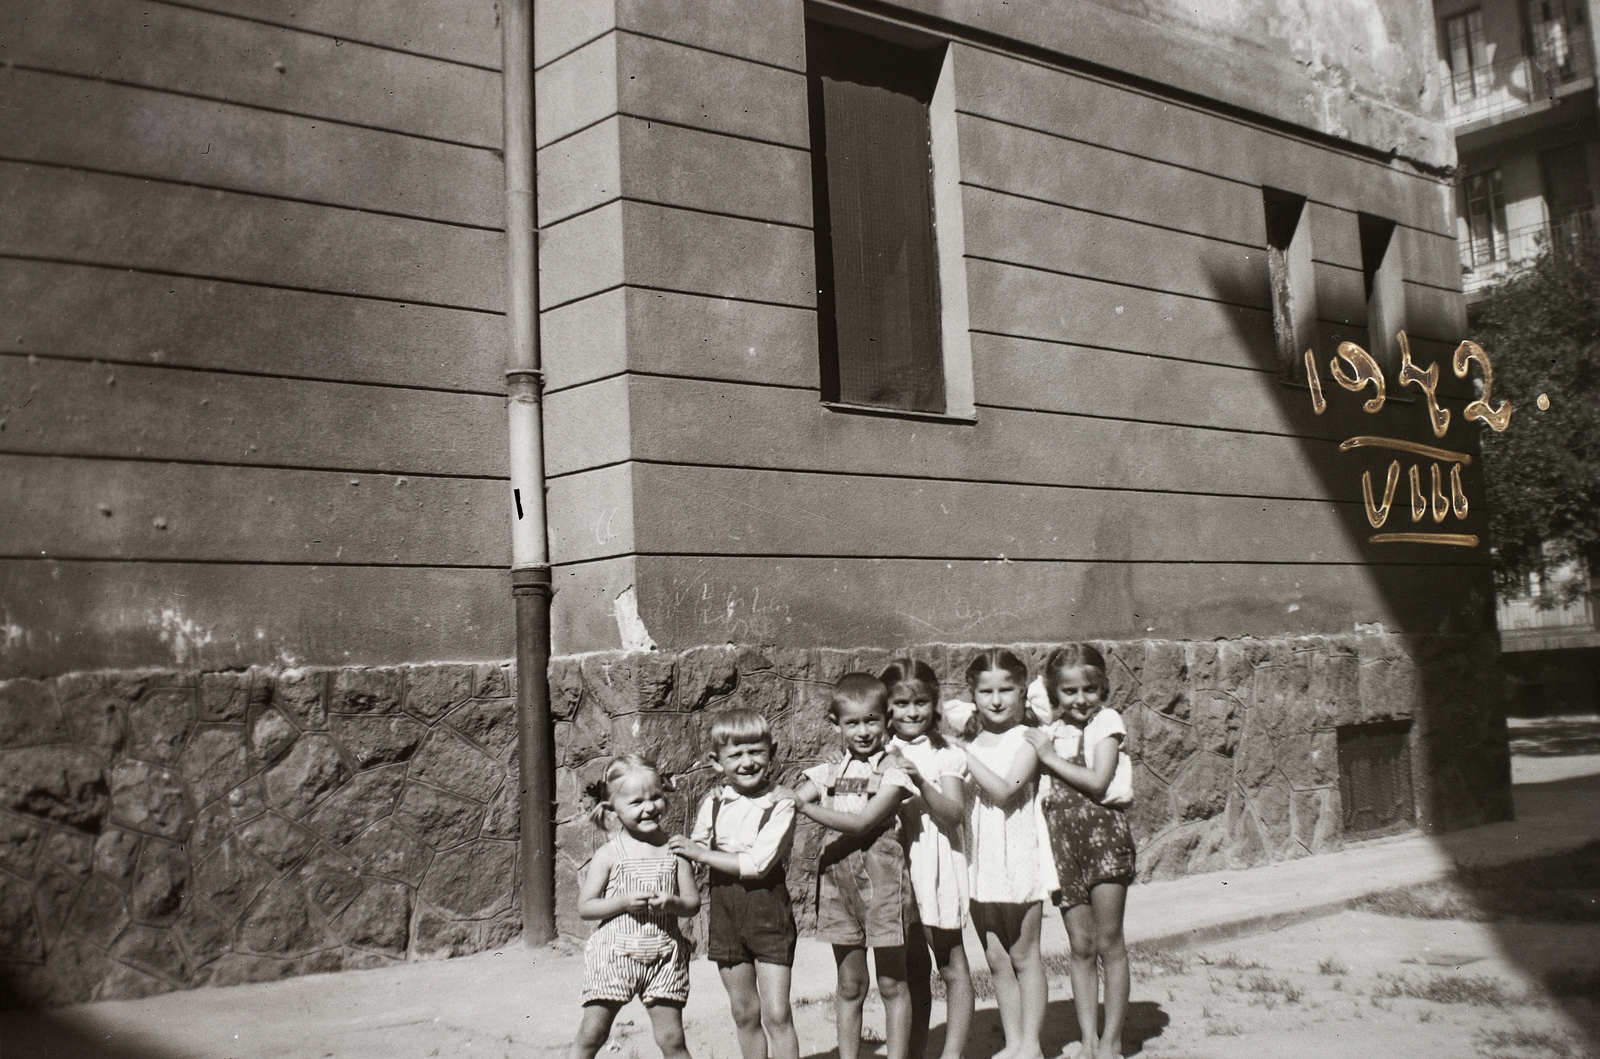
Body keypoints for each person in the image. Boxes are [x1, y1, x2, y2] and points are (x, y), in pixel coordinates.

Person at [772, 673, 920, 1059]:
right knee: (850, 984)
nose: (864, 730)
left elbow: (862, 824)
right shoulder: (829, 772)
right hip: (838, 890)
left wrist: (803, 805)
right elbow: (783, 805)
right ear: (836, 724)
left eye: (872, 719)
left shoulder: (895, 772)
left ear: (886, 719)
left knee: (891, 982)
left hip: (883, 888)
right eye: (852, 722)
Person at [669, 708, 800, 1059]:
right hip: (725, 910)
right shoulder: (713, 802)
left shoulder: (781, 803)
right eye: (736, 754)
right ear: (717, 762)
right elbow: (690, 850)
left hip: (767, 908)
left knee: (777, 1013)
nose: (747, 762)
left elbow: (756, 865)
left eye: (756, 751)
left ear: (771, 752)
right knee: (744, 1011)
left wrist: (701, 853)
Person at [1025, 645, 1135, 1059]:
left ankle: (1111, 1041)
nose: (1081, 699)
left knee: (1109, 942)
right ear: (1056, 693)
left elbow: (1098, 781)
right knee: (1081, 944)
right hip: (1064, 845)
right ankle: (1088, 1037)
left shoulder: (1106, 721)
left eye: (1090, 689)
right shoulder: (1052, 728)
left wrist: (1048, 757)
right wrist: (1049, 709)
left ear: (1103, 687)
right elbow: (1035, 691)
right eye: (1069, 691)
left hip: (1104, 840)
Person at [569, 754, 701, 1059]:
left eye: (655, 797)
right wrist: (624, 902)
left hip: (664, 956)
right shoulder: (609, 854)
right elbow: (586, 907)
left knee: (672, 1038)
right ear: (612, 808)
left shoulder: (675, 849)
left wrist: (673, 902)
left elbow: (692, 904)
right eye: (636, 802)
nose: (649, 807)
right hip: (615, 956)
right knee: (593, 1033)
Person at [953, 649, 1052, 1059]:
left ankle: (1032, 1045)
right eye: (986, 691)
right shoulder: (972, 742)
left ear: (1022, 690)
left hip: (1018, 854)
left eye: (1006, 689)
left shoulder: (1030, 738)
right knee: (995, 957)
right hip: (980, 856)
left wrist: (960, 753)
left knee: (1024, 954)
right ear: (973, 694)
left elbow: (1006, 791)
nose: (996, 700)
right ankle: (1012, 1042)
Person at [881, 658, 974, 1059]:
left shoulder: (945, 753)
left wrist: (919, 780)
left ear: (934, 704)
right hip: (897, 868)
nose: (912, 711)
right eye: (901, 703)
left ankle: (952, 1053)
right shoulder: (880, 750)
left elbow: (954, 815)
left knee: (951, 963)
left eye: (920, 702)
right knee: (912, 968)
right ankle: (917, 1050)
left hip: (935, 864)